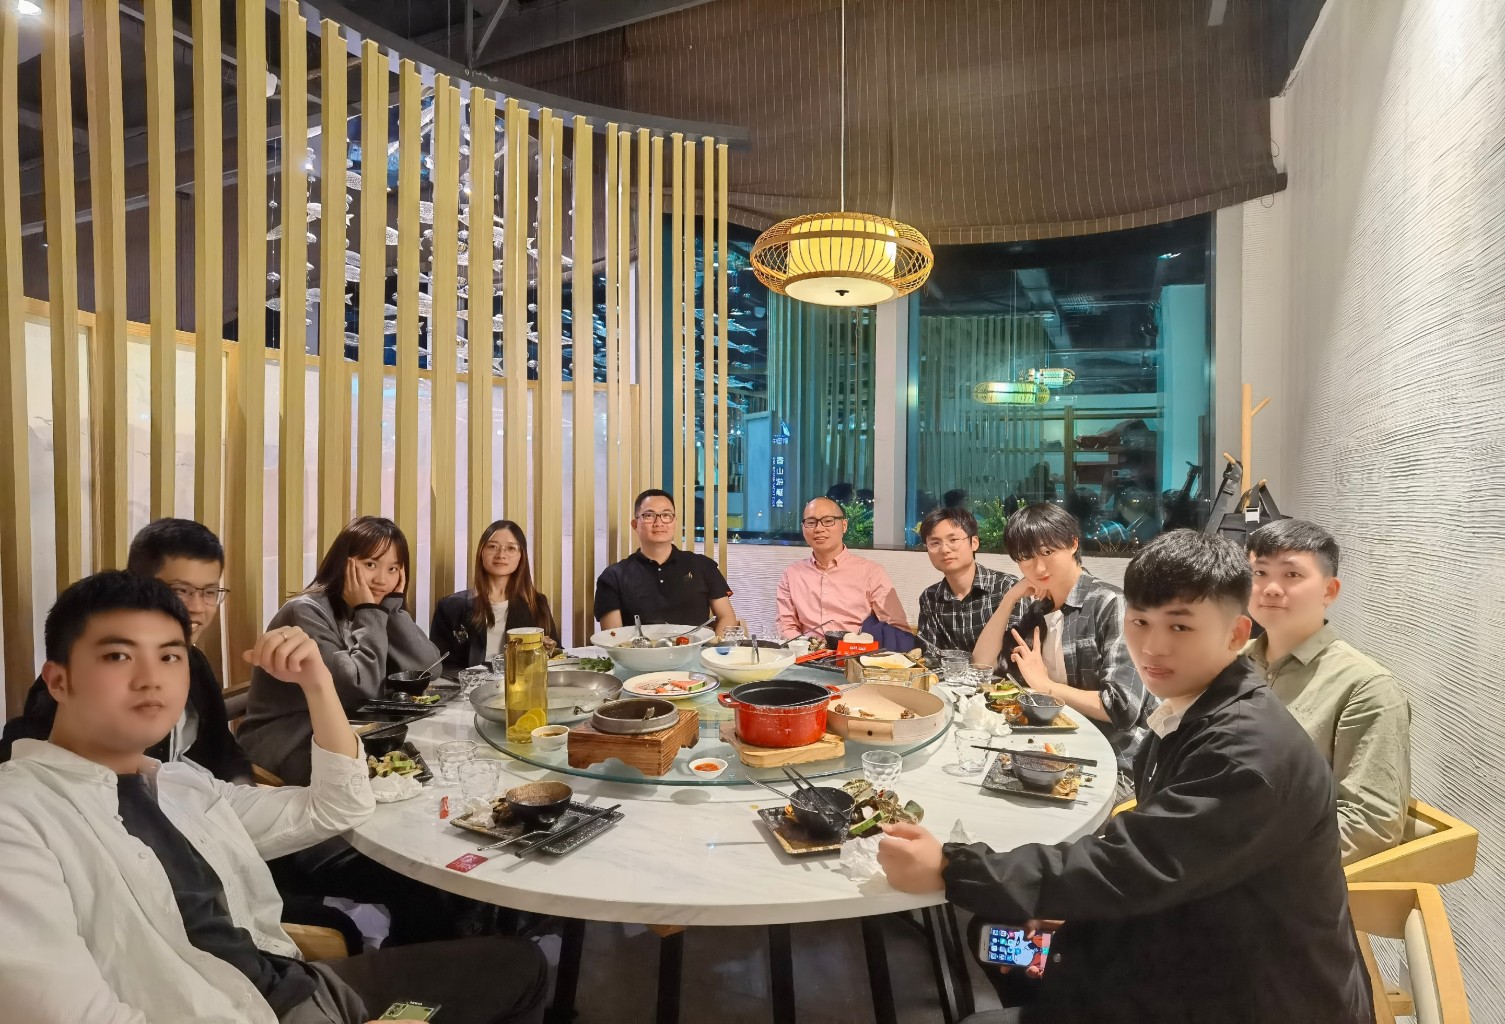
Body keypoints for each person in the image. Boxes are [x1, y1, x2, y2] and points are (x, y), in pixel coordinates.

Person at [0, 572, 546, 1024]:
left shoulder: (180, 785)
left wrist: (317, 683)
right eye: (119, 657)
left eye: (170, 657)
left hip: (304, 987)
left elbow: (338, 806)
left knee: (518, 965)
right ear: (59, 681)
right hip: (242, 1011)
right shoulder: (19, 815)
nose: (151, 679)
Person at [877, 531, 1374, 1023]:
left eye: (1180, 627)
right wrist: (1059, 901)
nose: (1153, 647)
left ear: (1235, 634)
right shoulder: (1195, 708)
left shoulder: (1245, 755)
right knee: (994, 934)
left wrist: (953, 866)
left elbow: (1129, 867)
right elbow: (1150, 856)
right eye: (1139, 622)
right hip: (1185, 936)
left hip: (1243, 991)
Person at [1, 517, 251, 783]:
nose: (198, 608)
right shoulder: (79, 681)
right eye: (180, 590)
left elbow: (221, 750)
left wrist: (244, 791)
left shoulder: (194, 662)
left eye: (209, 592)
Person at [1245, 518, 1411, 864]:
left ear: (1329, 591)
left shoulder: (1367, 687)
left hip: (1274, 874)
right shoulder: (1229, 663)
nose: (1270, 588)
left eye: (1291, 574)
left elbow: (1370, 825)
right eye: (1260, 573)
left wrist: (1242, 859)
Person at [239, 517, 440, 787]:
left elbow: (430, 668)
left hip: (343, 733)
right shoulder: (306, 611)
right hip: (288, 741)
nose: (382, 579)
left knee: (432, 767)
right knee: (393, 785)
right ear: (343, 563)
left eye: (393, 569)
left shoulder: (373, 609)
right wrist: (370, 612)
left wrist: (392, 608)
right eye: (370, 564)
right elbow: (359, 689)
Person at [972, 503, 1153, 778]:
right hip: (1054, 750)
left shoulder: (1109, 604)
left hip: (1113, 761)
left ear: (1073, 544)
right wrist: (1009, 599)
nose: (1038, 566)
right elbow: (983, 664)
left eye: (1048, 552)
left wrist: (1046, 686)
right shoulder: (1039, 611)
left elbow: (1122, 708)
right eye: (1026, 557)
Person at [594, 489, 737, 635]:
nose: (659, 522)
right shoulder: (613, 576)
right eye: (649, 516)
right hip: (636, 650)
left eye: (666, 515)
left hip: (697, 649)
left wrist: (714, 647)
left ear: (675, 522)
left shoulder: (703, 566)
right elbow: (613, 636)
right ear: (635, 525)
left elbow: (727, 617)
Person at [775, 496, 912, 644]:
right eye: (811, 522)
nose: (819, 529)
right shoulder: (791, 575)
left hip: (856, 653)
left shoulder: (872, 573)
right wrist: (805, 647)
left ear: (844, 525)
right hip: (807, 653)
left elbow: (897, 629)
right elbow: (786, 625)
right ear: (803, 528)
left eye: (828, 521)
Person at [431, 520, 560, 675]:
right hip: (467, 687)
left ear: (521, 556)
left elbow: (556, 655)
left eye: (511, 548)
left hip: (521, 684)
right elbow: (439, 664)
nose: (501, 555)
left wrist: (549, 649)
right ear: (481, 552)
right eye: (492, 547)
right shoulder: (450, 607)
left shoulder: (536, 603)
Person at [914, 506, 1017, 656]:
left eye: (953, 540)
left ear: (974, 543)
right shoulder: (930, 597)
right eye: (935, 543)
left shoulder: (1006, 587)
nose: (944, 549)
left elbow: (1015, 652)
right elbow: (930, 657)